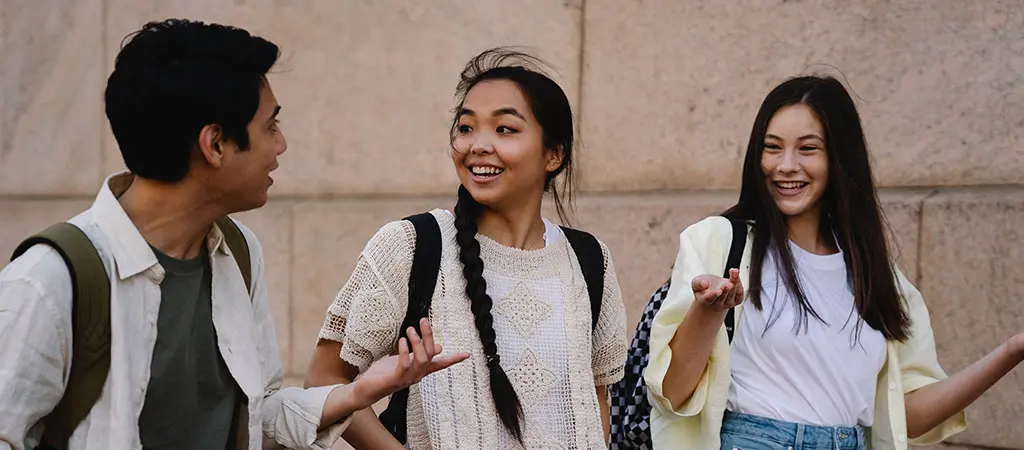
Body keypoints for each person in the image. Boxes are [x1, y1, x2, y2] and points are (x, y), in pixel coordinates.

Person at [0, 18, 467, 450]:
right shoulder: (48, 280)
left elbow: (257, 419)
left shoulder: (237, 253)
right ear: (216, 144)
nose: (280, 145)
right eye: (271, 126)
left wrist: (359, 392)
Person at [645, 75, 1024, 449]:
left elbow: (907, 417)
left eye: (807, 149)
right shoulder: (719, 241)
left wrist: (1011, 350)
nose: (786, 165)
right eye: (772, 147)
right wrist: (709, 311)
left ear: (839, 157)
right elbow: (673, 392)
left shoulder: (879, 277)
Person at [304, 47, 628, 449]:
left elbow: (594, 401)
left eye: (505, 129)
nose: (477, 145)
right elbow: (325, 380)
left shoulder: (589, 260)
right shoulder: (411, 246)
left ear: (554, 154)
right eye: (466, 127)